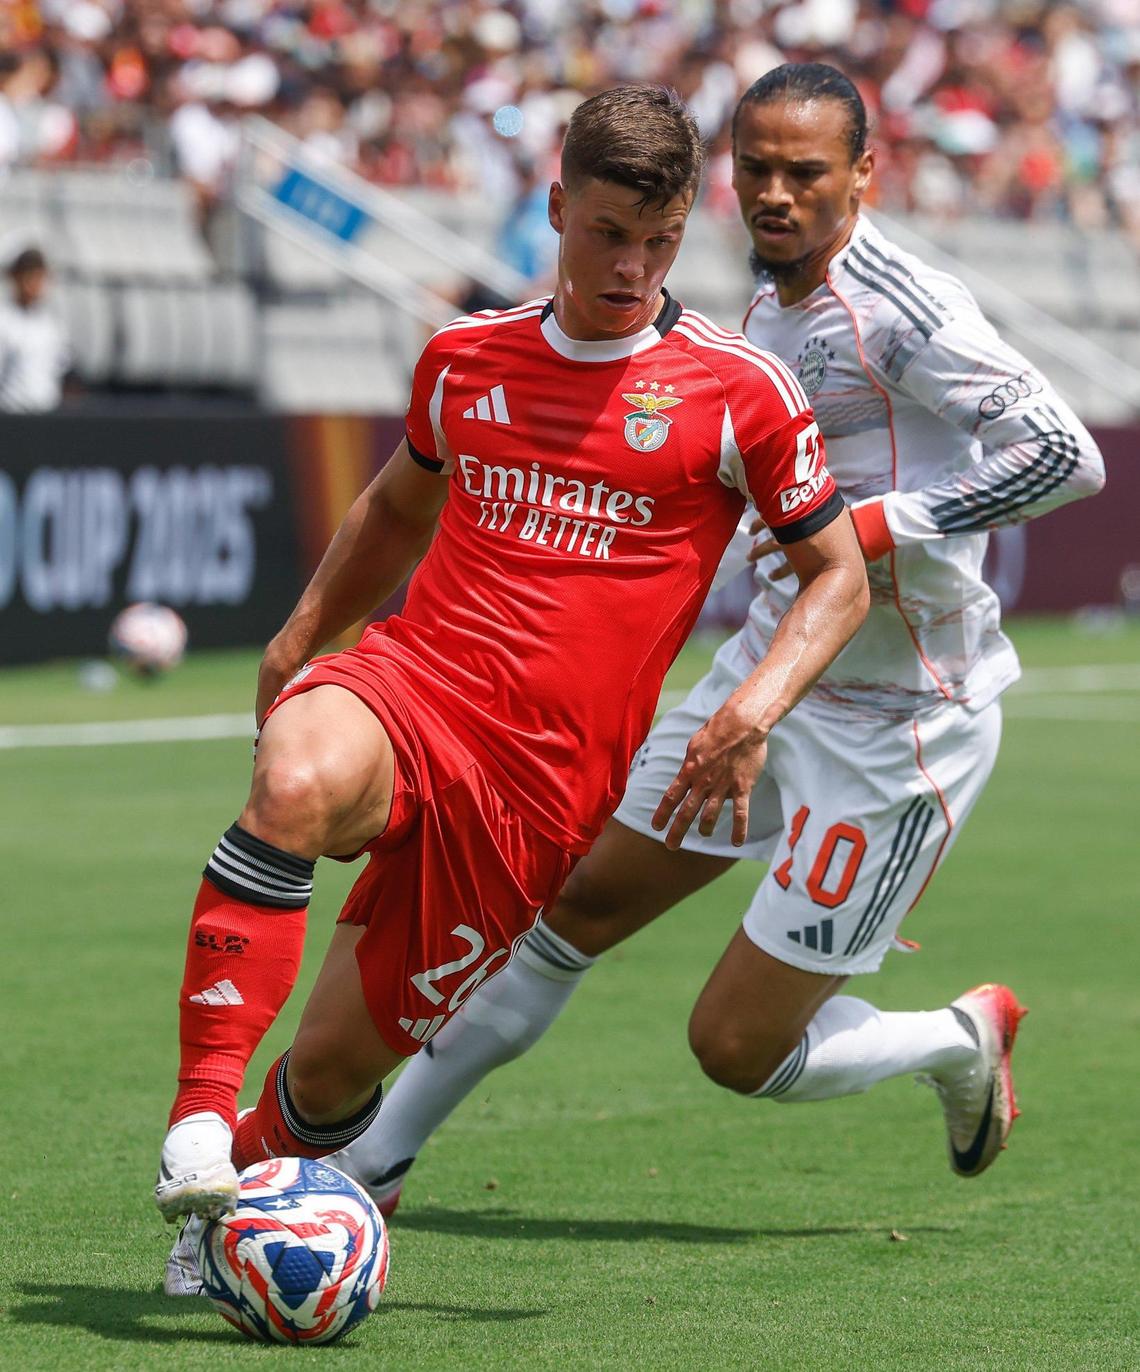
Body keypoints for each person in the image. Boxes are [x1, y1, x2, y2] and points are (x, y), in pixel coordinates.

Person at [332, 64, 1107, 1215]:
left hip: (901, 724)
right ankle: (373, 1161)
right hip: (772, 674)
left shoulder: (903, 305)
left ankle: (955, 1037)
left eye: (807, 172)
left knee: (735, 1046)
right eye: (758, 170)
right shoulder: (760, 308)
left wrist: (880, 524)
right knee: (576, 904)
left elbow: (1065, 452)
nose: (778, 195)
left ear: (865, 174)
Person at [159, 84, 868, 1288]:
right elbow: (396, 504)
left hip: (539, 797)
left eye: (660, 241)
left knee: (333, 1072)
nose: (633, 266)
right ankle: (197, 1114)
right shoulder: (466, 357)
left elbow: (837, 577)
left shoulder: (738, 390)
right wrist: (305, 632)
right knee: (294, 774)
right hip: (417, 687)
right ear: (554, 209)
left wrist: (751, 711)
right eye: (607, 234)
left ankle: (233, 1212)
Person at [0, 248, 70, 413]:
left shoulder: (51, 323)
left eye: (39, 277)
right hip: (11, 418)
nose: (35, 284)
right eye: (29, 276)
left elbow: (62, 366)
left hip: (47, 417)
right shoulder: (4, 320)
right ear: (16, 278)